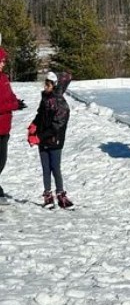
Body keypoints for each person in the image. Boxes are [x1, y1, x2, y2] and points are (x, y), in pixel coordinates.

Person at [29, 71, 73, 208]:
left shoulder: (60, 104)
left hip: (54, 140)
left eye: (48, 84)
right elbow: (40, 113)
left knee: (55, 168)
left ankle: (61, 194)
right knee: (45, 168)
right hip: (42, 139)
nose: (45, 86)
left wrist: (38, 137)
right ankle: (47, 194)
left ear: (54, 85)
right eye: (45, 83)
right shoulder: (46, 98)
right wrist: (34, 125)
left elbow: (56, 126)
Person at [0, 47, 27, 204]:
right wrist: (13, 105)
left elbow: (9, 95)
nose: (3, 63)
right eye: (1, 60)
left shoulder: (3, 78)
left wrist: (17, 101)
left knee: (2, 161)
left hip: (5, 127)